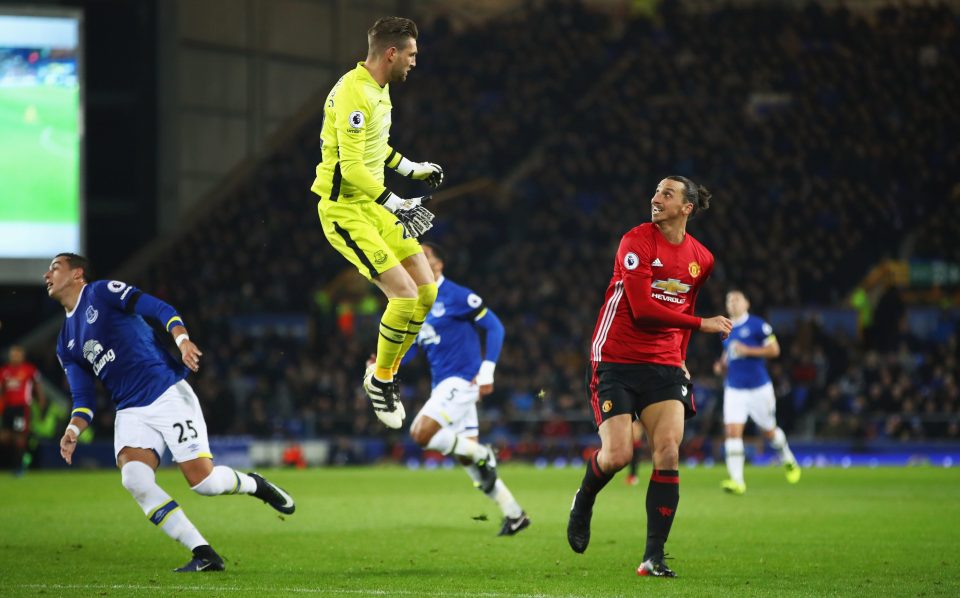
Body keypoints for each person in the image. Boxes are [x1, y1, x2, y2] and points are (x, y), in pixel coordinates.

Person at [45, 253, 295, 573]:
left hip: (165, 392)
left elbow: (159, 309)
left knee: (204, 483)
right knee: (134, 479)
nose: (46, 275)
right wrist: (73, 429)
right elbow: (83, 399)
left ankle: (255, 484)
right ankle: (204, 553)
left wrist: (183, 340)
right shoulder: (65, 342)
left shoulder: (101, 292)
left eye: (54, 267)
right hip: (130, 410)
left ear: (77, 273)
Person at [566, 176, 733, 578]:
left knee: (669, 451)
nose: (655, 199)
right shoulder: (636, 241)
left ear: (686, 207)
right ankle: (584, 498)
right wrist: (702, 325)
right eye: (656, 192)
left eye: (666, 194)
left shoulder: (701, 259)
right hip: (616, 358)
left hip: (663, 364)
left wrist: (680, 357)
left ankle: (653, 557)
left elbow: (680, 309)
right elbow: (642, 309)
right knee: (619, 456)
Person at [311, 16, 443, 430]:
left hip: (375, 205)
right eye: (411, 54)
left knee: (426, 291)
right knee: (402, 296)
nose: (414, 62)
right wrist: (397, 201)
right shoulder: (354, 93)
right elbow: (350, 169)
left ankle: (383, 369)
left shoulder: (379, 90)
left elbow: (378, 150)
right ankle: (381, 379)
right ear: (391, 53)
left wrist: (414, 169)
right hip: (345, 209)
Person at [403, 243, 530, 536]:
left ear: (438, 265)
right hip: (444, 386)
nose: (418, 262)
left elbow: (495, 327)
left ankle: (484, 452)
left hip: (461, 381)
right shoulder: (416, 303)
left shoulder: (457, 295)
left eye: (425, 257)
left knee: (420, 433)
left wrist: (487, 371)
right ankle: (514, 514)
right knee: (467, 459)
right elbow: (411, 350)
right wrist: (384, 363)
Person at [713, 289, 800, 494]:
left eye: (736, 300)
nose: (732, 303)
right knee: (732, 432)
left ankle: (788, 458)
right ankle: (737, 481)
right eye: (729, 300)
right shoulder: (725, 327)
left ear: (747, 303)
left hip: (759, 388)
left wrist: (748, 350)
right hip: (734, 388)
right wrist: (721, 366)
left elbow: (775, 350)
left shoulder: (758, 325)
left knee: (769, 431)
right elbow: (729, 354)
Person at [0, 345, 47, 474]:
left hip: (21, 408)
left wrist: (41, 404)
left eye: (17, 354)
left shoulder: (29, 370)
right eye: (12, 354)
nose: (14, 356)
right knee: (4, 437)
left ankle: (19, 467)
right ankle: (9, 464)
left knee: (19, 438)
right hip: (7, 409)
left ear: (22, 356)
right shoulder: (4, 371)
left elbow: (38, 388)